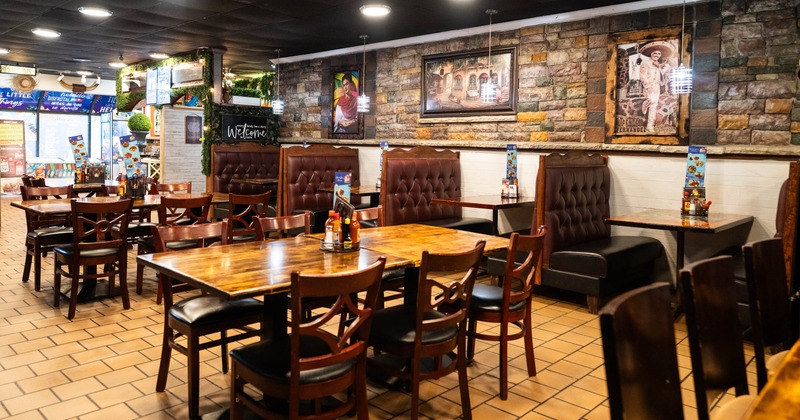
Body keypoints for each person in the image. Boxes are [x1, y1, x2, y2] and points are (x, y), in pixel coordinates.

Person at [637, 41, 673, 132]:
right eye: (655, 53)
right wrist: (647, 86)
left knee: (654, 106)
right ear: (651, 54)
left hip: (657, 86)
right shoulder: (645, 63)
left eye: (659, 53)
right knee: (651, 101)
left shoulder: (658, 65)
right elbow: (642, 76)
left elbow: (660, 75)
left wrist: (665, 66)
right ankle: (646, 103)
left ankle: (650, 126)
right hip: (649, 86)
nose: (657, 55)